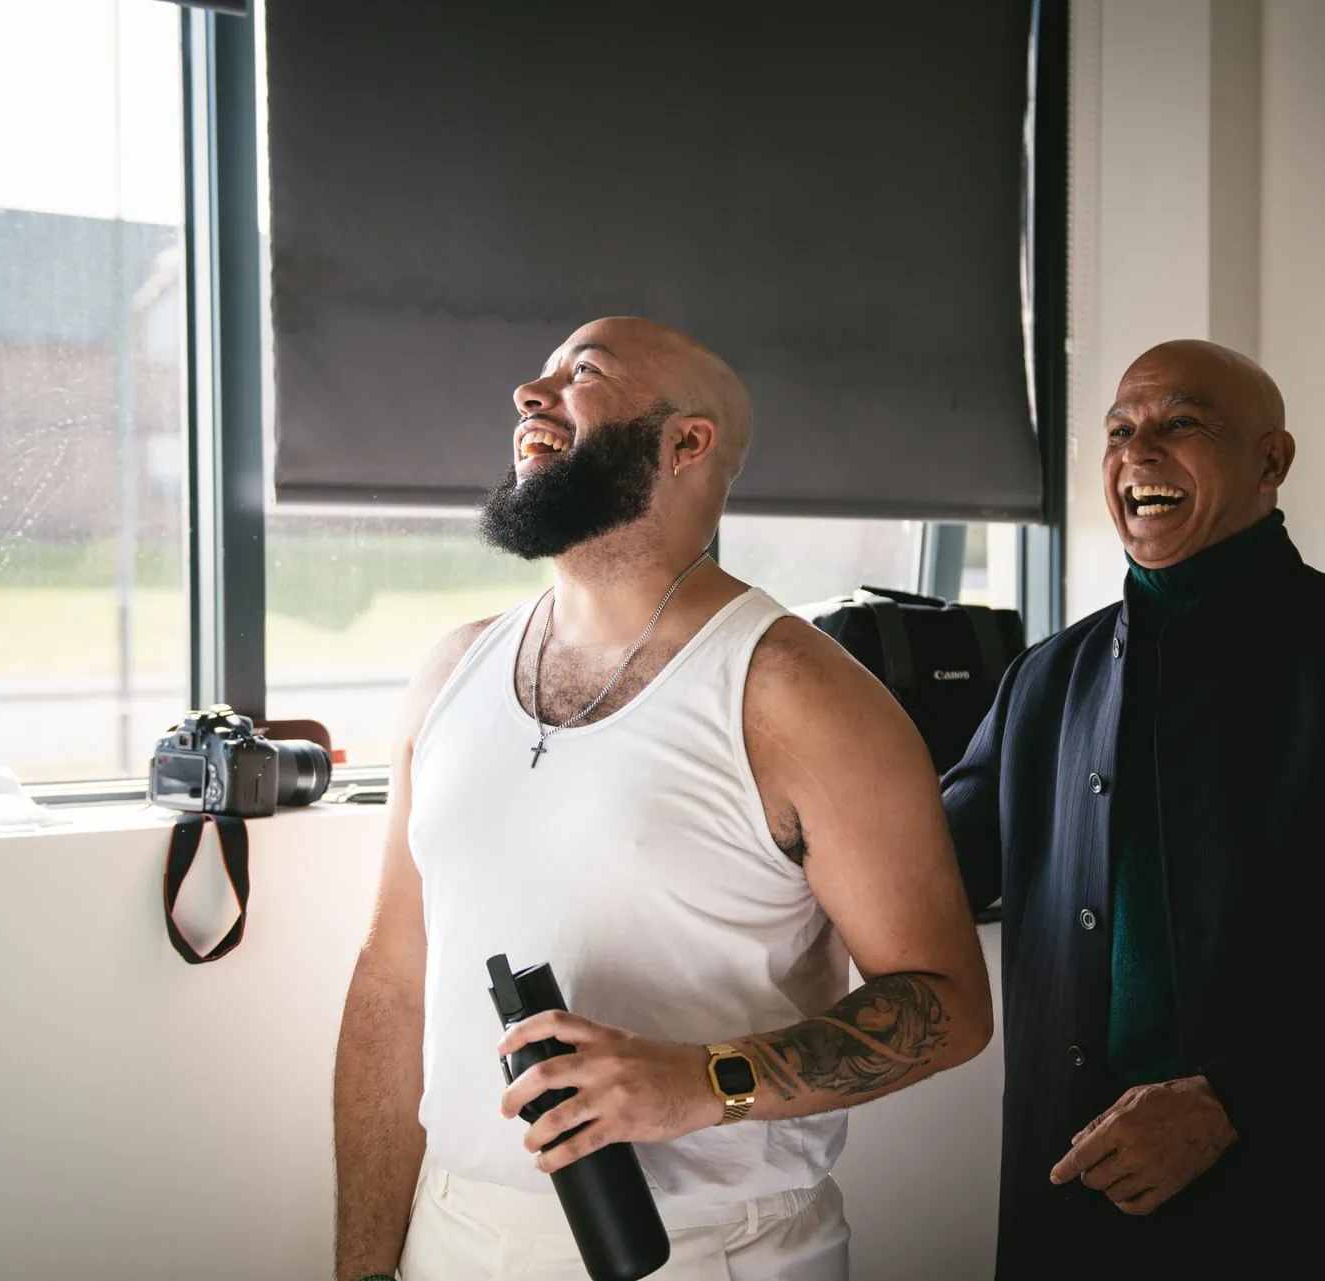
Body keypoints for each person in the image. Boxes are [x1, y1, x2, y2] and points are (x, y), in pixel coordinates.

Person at [333, 316, 992, 1281]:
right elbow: (392, 985)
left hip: (708, 1252)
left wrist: (704, 1080)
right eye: (541, 371)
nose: (530, 391)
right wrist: (361, 1264)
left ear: (688, 441)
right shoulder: (449, 673)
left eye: (583, 371)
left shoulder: (802, 698)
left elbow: (951, 1006)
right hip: (453, 1233)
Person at [944, 339, 1325, 1277]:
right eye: (1119, 432)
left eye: (1178, 425)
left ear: (1272, 460)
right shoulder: (1042, 680)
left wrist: (1233, 1098)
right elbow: (918, 863)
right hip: (1077, 1216)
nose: (1138, 453)